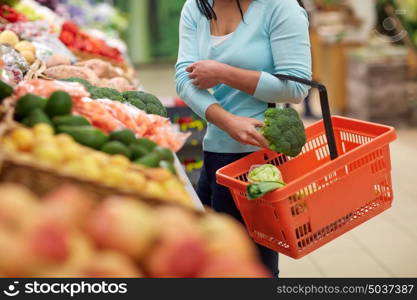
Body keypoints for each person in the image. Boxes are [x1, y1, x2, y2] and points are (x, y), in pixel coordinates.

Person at [175, 0, 312, 277]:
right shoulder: (196, 7)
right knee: (211, 264)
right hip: (215, 152)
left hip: (258, 162)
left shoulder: (280, 8)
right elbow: (184, 78)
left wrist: (223, 73)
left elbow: (297, 87)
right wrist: (227, 121)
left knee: (252, 268)